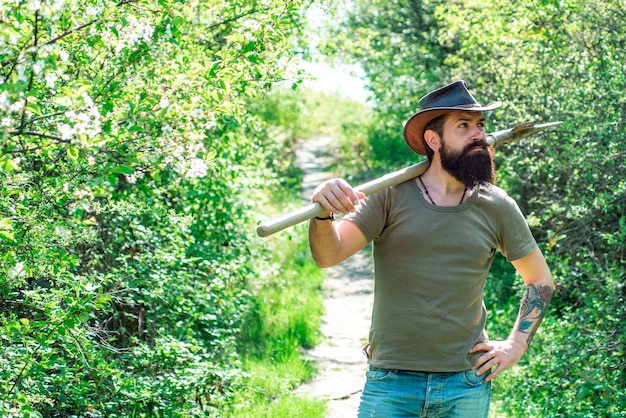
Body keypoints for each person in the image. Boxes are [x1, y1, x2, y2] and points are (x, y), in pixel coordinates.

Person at [308, 80, 555, 417]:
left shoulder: (496, 205)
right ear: (433, 139)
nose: (478, 135)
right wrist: (323, 214)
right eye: (464, 125)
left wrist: (515, 345)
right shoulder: (390, 196)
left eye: (481, 125)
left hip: (466, 383)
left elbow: (540, 280)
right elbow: (329, 255)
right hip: (391, 383)